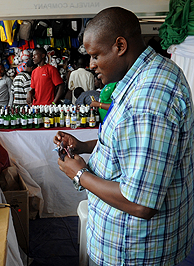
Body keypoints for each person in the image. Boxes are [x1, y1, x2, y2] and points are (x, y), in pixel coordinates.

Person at [54, 7, 194, 266]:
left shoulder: (148, 100)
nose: (91, 65)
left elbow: (140, 203)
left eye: (95, 55)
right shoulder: (147, 76)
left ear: (120, 45)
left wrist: (80, 174)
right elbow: (133, 145)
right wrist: (84, 146)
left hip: (134, 253)